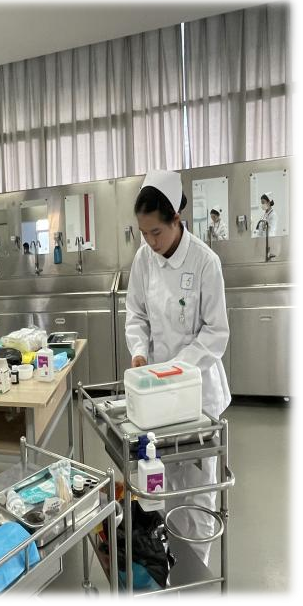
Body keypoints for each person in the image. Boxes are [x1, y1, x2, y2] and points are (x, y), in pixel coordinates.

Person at [125, 169, 230, 566]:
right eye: (144, 233)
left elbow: (217, 332)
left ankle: (198, 573)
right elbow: (136, 314)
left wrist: (177, 368)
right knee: (160, 483)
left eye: (156, 232)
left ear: (176, 219)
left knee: (197, 492)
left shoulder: (205, 262)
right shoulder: (144, 259)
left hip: (198, 394)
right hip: (156, 395)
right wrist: (139, 351)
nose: (151, 242)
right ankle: (166, 566)